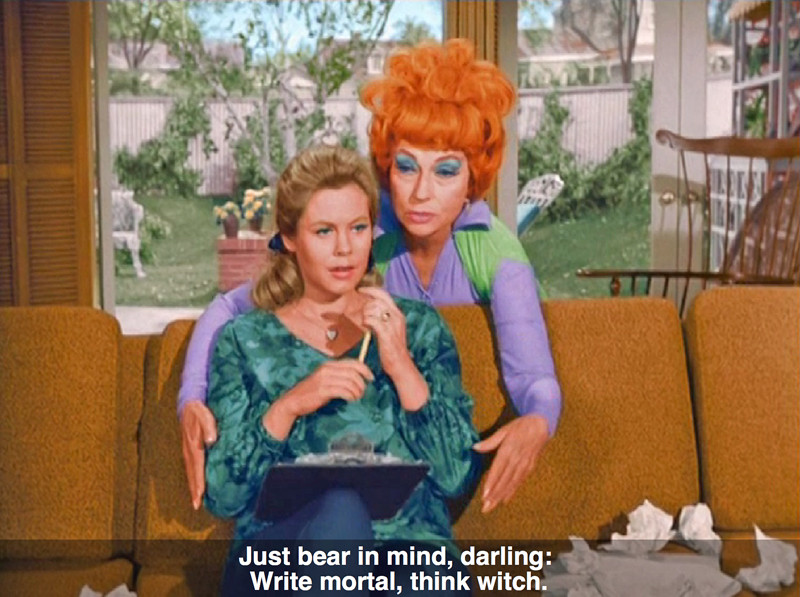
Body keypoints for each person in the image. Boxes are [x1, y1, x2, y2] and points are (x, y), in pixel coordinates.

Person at [182, 38, 562, 515]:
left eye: (445, 171)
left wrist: (539, 419)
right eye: (406, 167)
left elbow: (534, 376)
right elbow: (234, 305)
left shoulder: (497, 256)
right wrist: (191, 399)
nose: (421, 193)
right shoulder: (365, 233)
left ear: (474, 178)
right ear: (387, 167)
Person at [205, 144, 477, 595]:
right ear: (290, 238)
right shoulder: (244, 340)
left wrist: (401, 364)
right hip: (285, 561)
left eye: (358, 228)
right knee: (341, 511)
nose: (345, 248)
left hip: (407, 553)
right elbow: (223, 494)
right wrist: (290, 405)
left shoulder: (418, 327)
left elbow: (456, 477)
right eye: (324, 231)